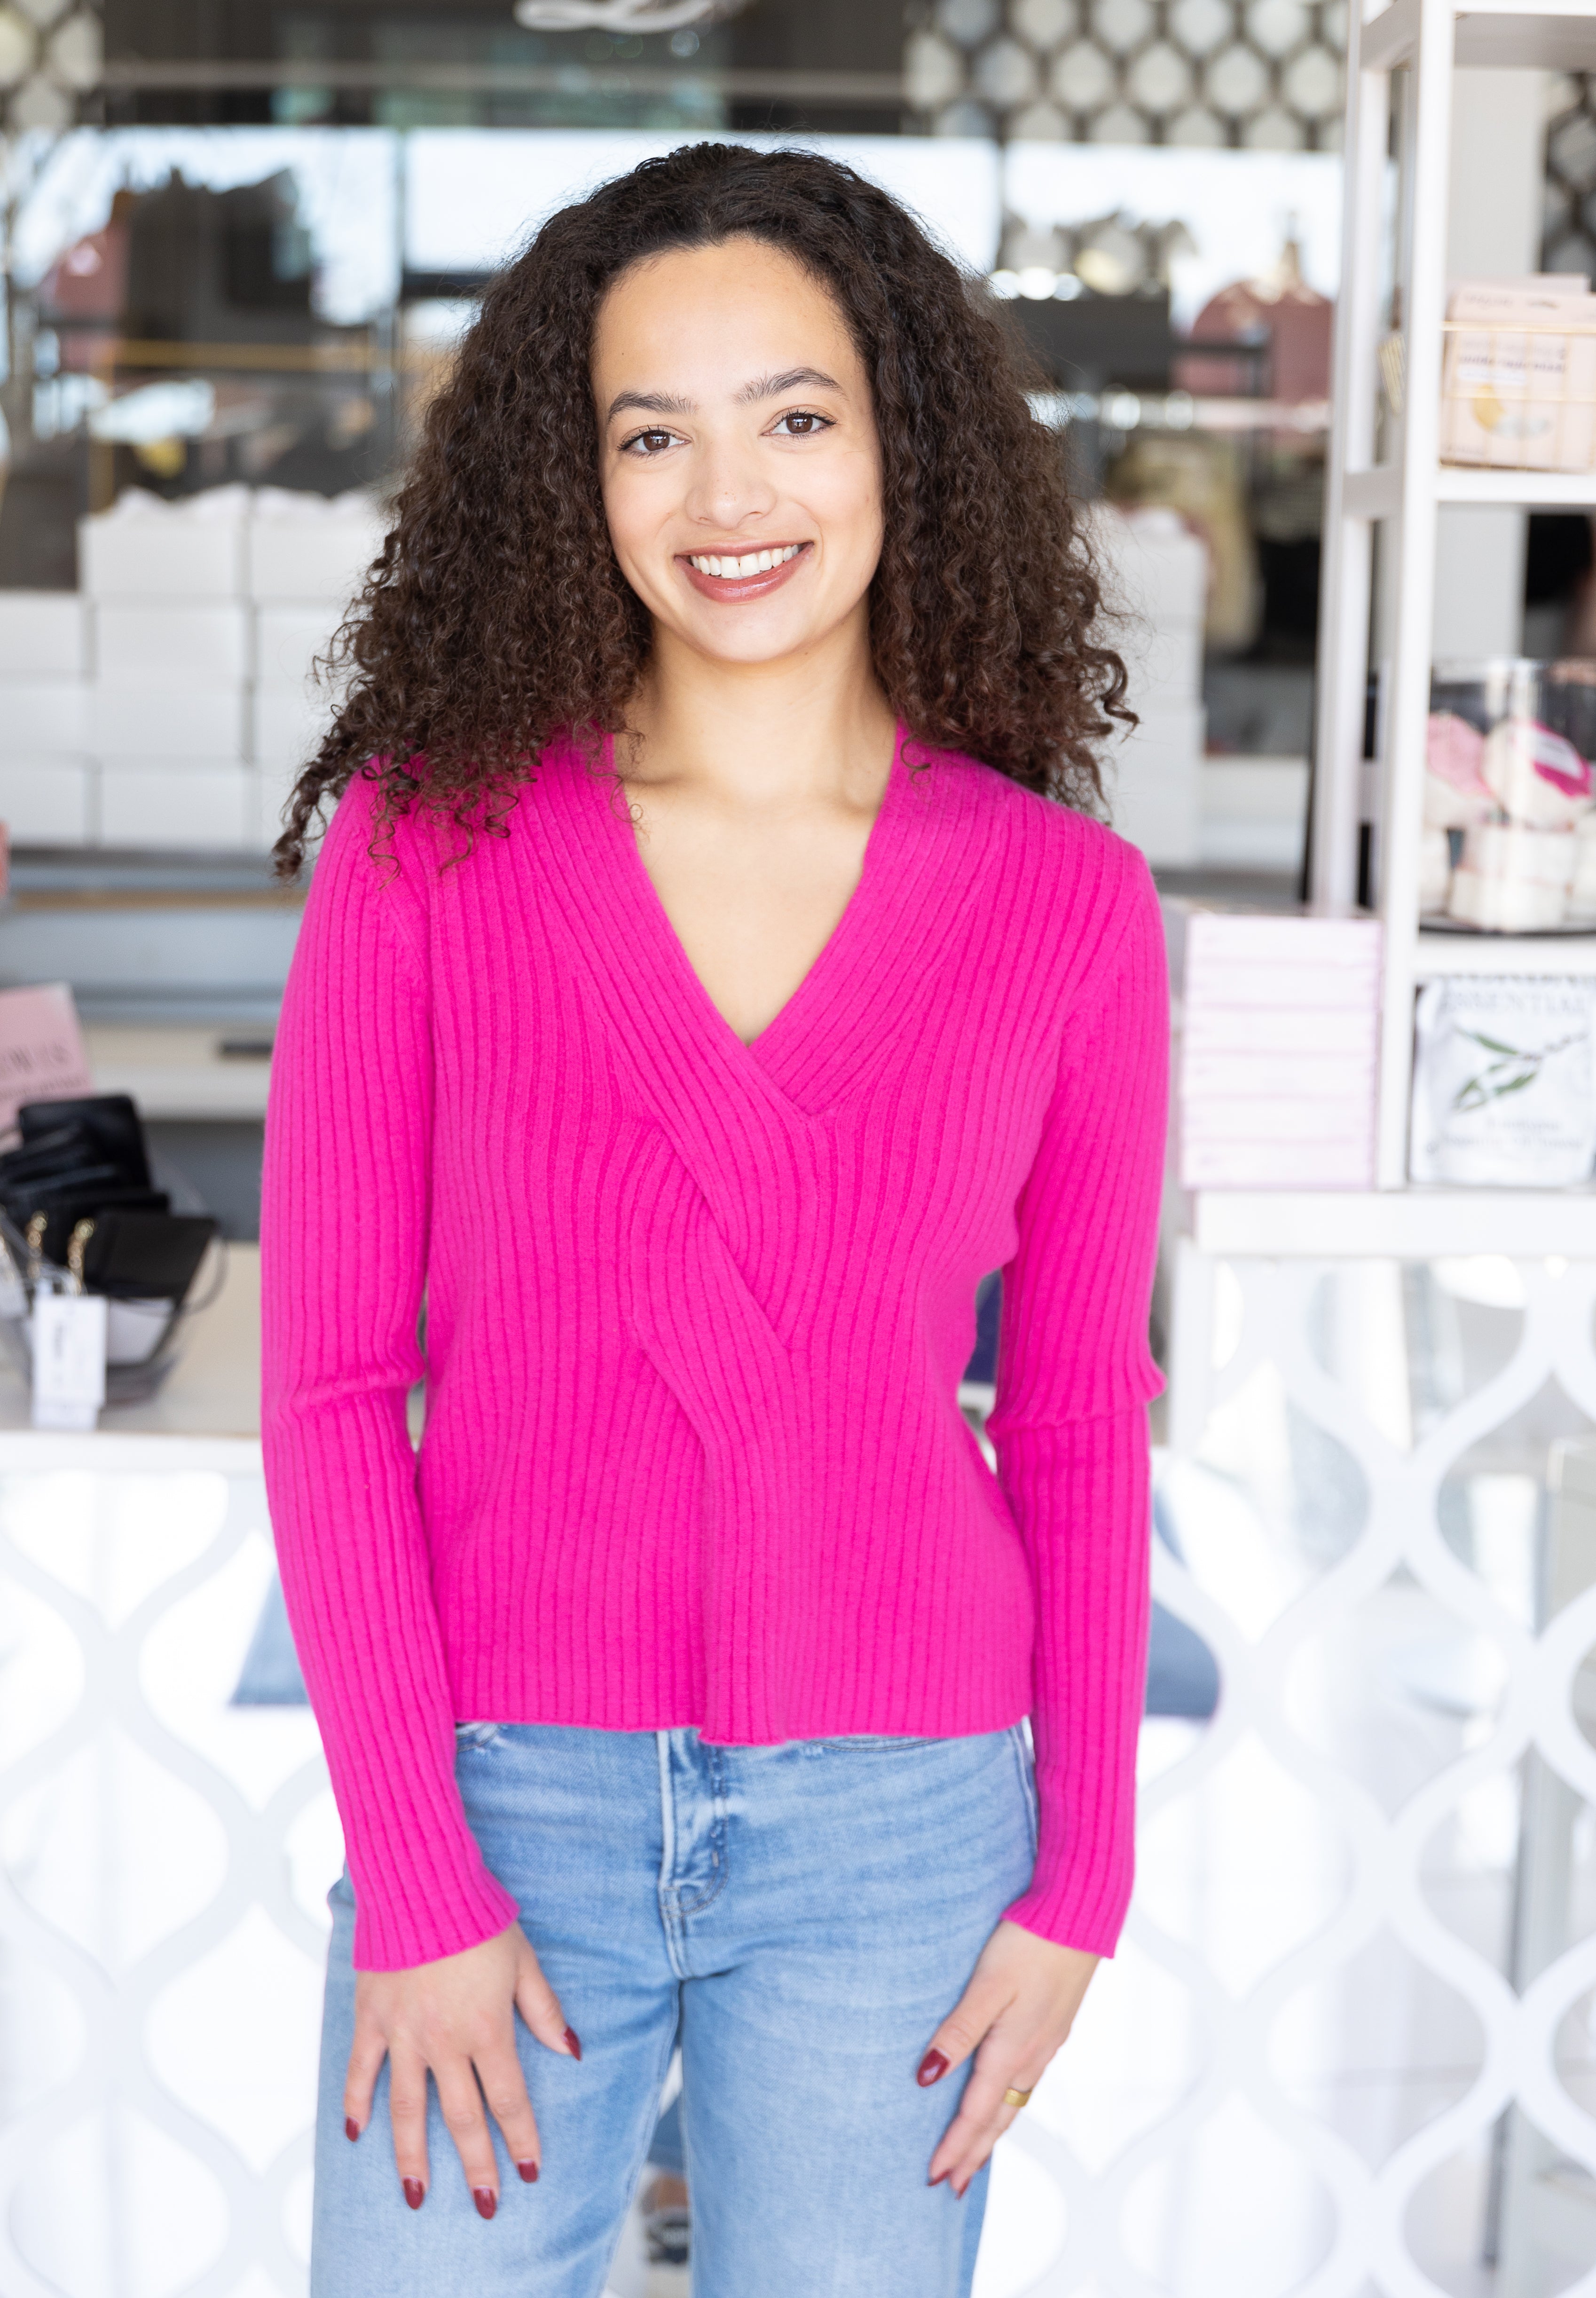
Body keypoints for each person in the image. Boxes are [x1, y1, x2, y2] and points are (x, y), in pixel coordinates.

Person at [261, 141, 1167, 2298]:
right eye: (648, 433)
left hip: (901, 1840)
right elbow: (321, 1383)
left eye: (794, 416)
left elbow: (1075, 1421)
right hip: (501, 1819)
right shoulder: (424, 856)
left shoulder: (1067, 910)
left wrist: (1081, 1887)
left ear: (897, 443)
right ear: (571, 483)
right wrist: (417, 1869)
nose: (725, 493)